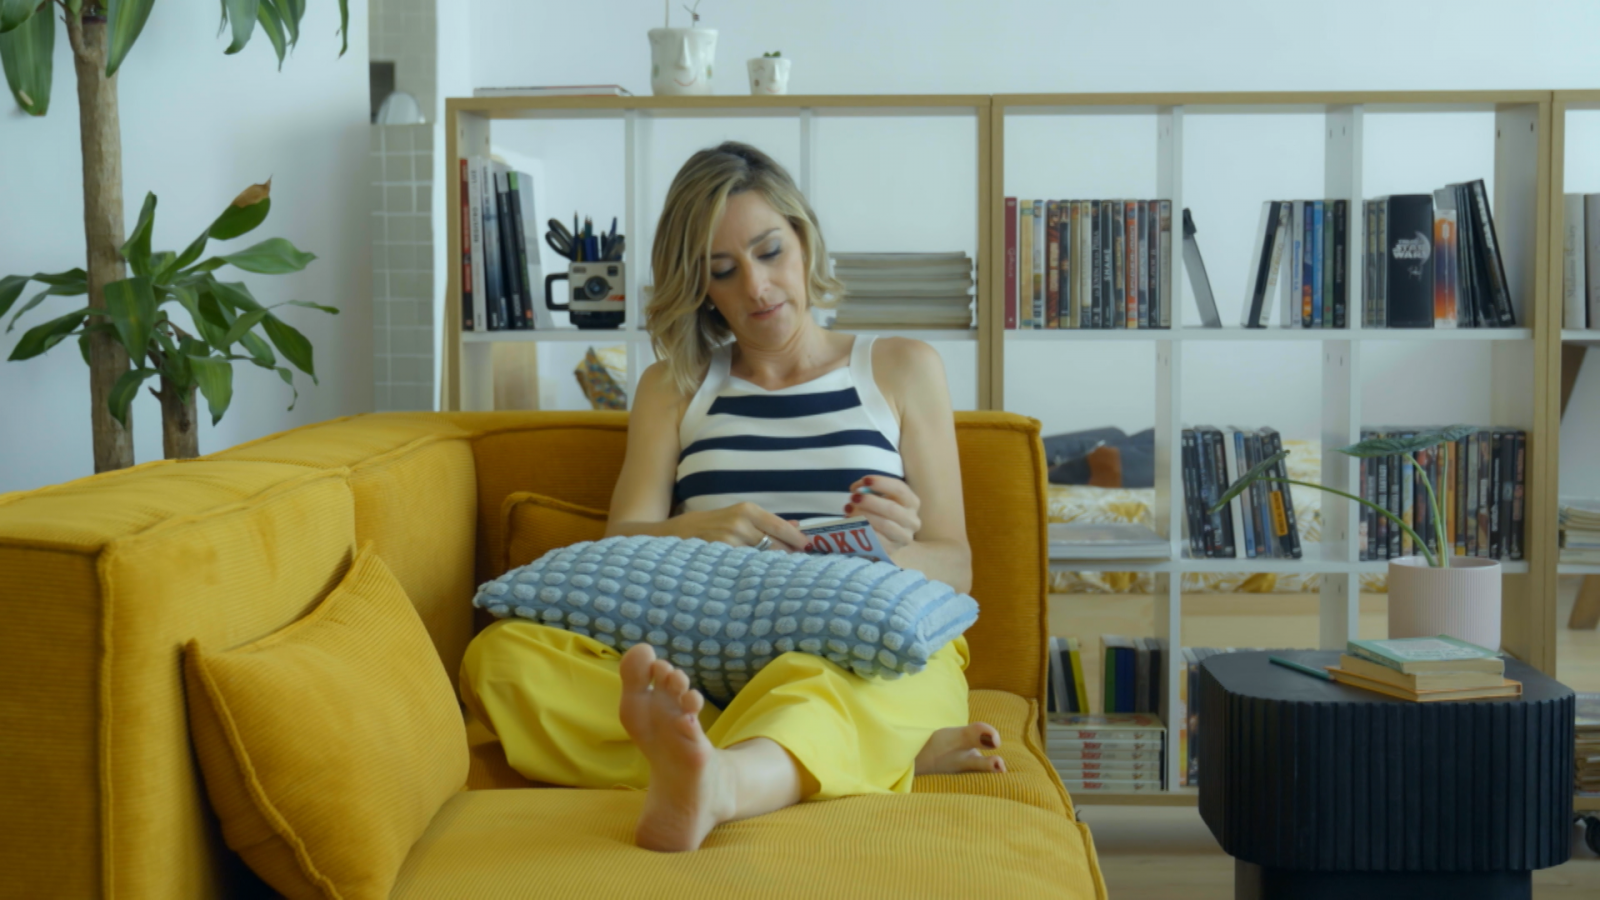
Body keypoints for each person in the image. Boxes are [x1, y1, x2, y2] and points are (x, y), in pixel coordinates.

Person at [459, 141, 1003, 855]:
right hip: (699, 653)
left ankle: (722, 779)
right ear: (700, 288)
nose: (757, 287)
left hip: (845, 649)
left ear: (804, 242)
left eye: (771, 251)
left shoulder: (900, 368)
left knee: (831, 682)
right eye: (724, 271)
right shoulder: (675, 385)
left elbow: (956, 565)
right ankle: (850, 755)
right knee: (503, 661)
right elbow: (623, 535)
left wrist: (897, 553)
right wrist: (691, 528)